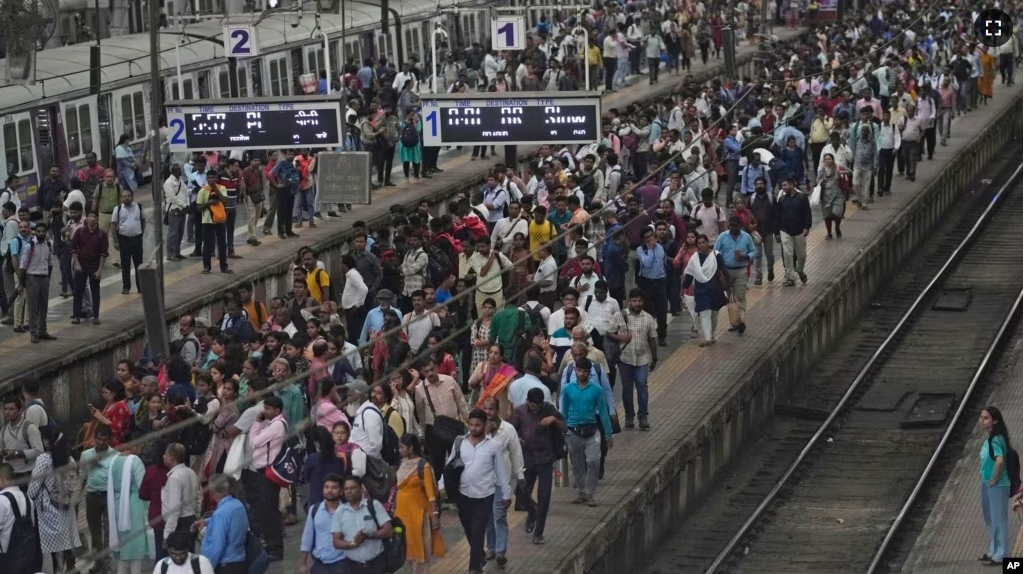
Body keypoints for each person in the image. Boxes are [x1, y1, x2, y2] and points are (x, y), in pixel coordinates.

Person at [439, 409, 511, 574]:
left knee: (478, 531)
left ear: (484, 425)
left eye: (477, 425)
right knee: (470, 532)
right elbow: (448, 466)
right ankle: (480, 555)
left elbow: (501, 472)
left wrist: (506, 494)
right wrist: (441, 484)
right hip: (463, 496)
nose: (473, 428)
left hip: (485, 496)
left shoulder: (493, 446)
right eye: (471, 424)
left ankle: (474, 569)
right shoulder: (459, 442)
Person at [509, 387, 564, 544]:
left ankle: (538, 533)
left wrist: (553, 420)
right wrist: (518, 439)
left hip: (545, 459)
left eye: (538, 406)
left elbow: (564, 427)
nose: (536, 409)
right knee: (521, 493)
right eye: (533, 406)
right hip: (527, 459)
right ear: (528, 402)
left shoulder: (549, 409)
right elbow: (512, 431)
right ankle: (532, 511)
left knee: (544, 495)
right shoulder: (520, 411)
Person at [559, 358, 613, 506]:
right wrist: (562, 433)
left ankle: (590, 492)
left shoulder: (597, 390)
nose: (581, 373)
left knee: (593, 460)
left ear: (589, 373)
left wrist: (608, 434)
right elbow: (563, 412)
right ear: (575, 370)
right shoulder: (568, 389)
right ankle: (582, 492)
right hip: (573, 432)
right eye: (579, 370)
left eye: (584, 371)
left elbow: (603, 412)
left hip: (592, 431)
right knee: (577, 465)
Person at [27, 427, 81, 574]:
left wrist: (27, 501)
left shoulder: (44, 459)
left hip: (49, 510)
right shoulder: (70, 459)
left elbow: (33, 488)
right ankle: (71, 568)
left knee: (55, 549)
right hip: (67, 508)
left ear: (46, 441)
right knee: (67, 542)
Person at [393, 435, 445, 573]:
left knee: (420, 553)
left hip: (418, 518)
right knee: (405, 551)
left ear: (410, 448)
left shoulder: (423, 466)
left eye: (402, 447)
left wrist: (434, 516)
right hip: (401, 517)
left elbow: (431, 495)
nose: (399, 450)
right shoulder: (400, 464)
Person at [107, 430, 152, 574]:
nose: (142, 450)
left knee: (122, 543)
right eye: (141, 446)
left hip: (116, 503)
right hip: (134, 504)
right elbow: (143, 487)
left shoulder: (113, 459)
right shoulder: (135, 460)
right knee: (134, 543)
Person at [330, 476, 394, 574]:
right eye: (346, 489)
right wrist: (353, 544)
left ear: (361, 490)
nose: (349, 491)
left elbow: (388, 530)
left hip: (376, 564)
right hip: (352, 567)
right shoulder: (340, 512)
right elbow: (336, 542)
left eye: (353, 488)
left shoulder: (373, 505)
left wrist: (369, 535)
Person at [977, 406, 1013, 566]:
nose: (981, 420)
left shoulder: (996, 439)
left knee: (999, 519)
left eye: (986, 418)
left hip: (997, 485)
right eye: (981, 417)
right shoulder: (990, 437)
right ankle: (993, 550)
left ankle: (1001, 555)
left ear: (995, 421)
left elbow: (999, 461)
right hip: (987, 483)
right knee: (990, 518)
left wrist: (994, 479)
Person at [681, 234, 730, 346]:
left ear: (707, 242)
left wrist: (729, 285)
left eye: (704, 242)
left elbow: (723, 269)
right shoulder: (694, 258)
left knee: (714, 313)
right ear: (697, 245)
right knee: (705, 312)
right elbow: (689, 274)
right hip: (701, 289)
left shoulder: (716, 255)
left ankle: (712, 334)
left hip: (714, 288)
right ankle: (708, 338)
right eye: (699, 243)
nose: (702, 245)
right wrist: (684, 288)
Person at [198, 474, 248, 574]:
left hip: (225, 565)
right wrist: (208, 521)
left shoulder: (220, 514)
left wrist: (207, 568)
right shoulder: (238, 504)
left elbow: (217, 547)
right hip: (240, 561)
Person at [298, 473, 347, 574]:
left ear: (341, 491)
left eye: (334, 487)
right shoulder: (314, 510)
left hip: (342, 563)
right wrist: (303, 564)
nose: (329, 490)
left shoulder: (347, 512)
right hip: (320, 564)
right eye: (327, 487)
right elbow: (307, 538)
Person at [0, 462, 43, 574]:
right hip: (27, 558)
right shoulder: (27, 498)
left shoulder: (2, 501)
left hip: (5, 561)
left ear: (2, 478)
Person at [197, 169, 233, 275]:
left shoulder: (222, 188)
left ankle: (224, 267)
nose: (211, 179)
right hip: (207, 222)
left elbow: (225, 200)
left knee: (222, 245)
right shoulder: (202, 190)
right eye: (209, 178)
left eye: (213, 177)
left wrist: (215, 189)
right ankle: (206, 267)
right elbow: (198, 208)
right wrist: (208, 203)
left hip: (220, 221)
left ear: (216, 178)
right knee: (207, 245)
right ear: (207, 178)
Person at [110, 189, 144, 295]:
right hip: (124, 239)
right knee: (125, 265)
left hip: (137, 239)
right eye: (123, 196)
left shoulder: (139, 207)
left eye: (128, 196)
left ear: (132, 197)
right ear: (121, 198)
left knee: (139, 264)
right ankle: (126, 287)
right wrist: (115, 241)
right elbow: (113, 225)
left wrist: (141, 232)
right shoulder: (118, 209)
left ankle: (141, 287)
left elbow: (143, 220)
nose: (126, 198)